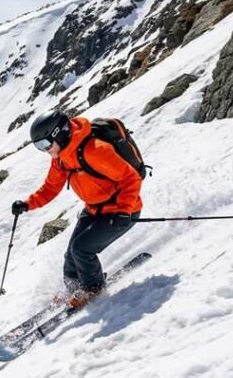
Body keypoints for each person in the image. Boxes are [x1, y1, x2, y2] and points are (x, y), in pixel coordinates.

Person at [12, 112, 143, 309]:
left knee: (81, 249)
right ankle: (74, 287)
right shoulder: (62, 158)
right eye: (39, 147)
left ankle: (93, 288)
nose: (44, 151)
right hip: (93, 210)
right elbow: (50, 187)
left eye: (45, 145)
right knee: (71, 258)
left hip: (121, 211)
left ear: (59, 134)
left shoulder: (95, 150)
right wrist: (27, 204)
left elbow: (131, 178)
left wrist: (124, 210)